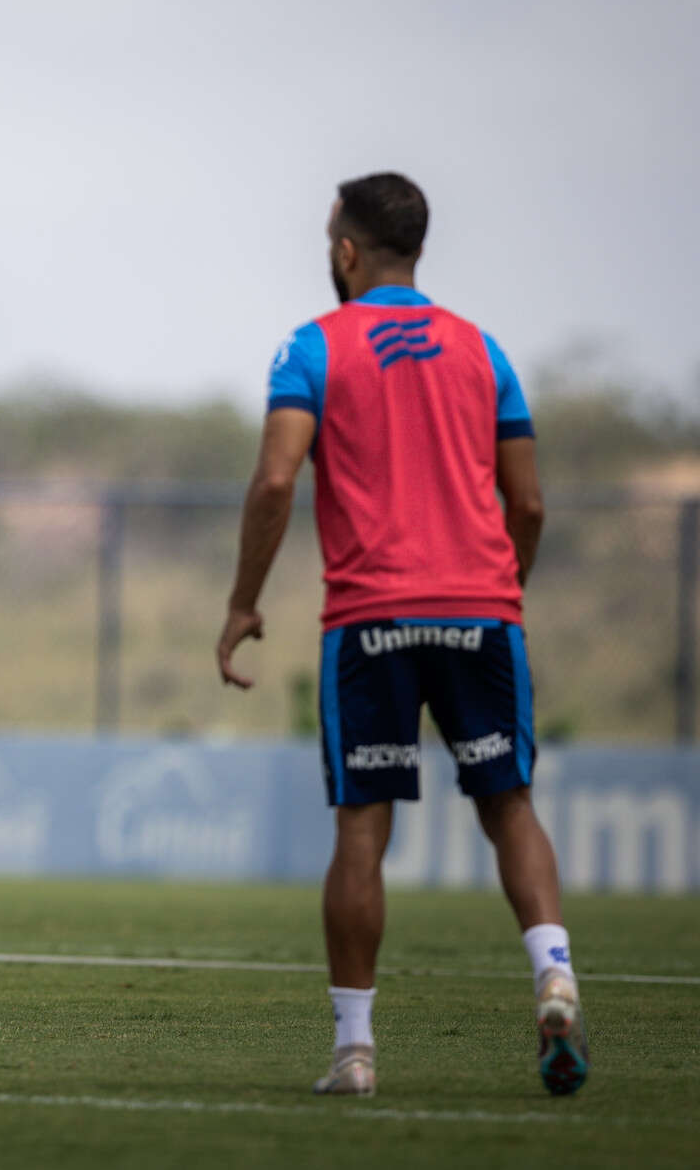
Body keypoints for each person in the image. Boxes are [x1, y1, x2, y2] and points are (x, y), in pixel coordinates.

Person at [216, 173, 585, 1096]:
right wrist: (504, 588)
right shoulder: (482, 351)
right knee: (510, 805)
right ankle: (553, 968)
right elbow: (529, 498)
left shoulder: (314, 347)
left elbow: (273, 482)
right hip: (482, 610)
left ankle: (355, 1049)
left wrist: (243, 603)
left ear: (346, 250)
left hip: (371, 617)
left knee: (361, 827)